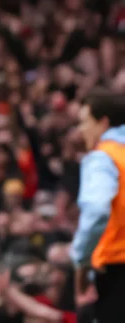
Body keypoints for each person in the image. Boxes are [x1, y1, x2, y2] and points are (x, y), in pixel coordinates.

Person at [70, 89, 125, 322]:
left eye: (84, 122)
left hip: (118, 268)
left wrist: (81, 261)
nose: (81, 130)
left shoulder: (103, 157)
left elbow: (97, 210)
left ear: (103, 122)